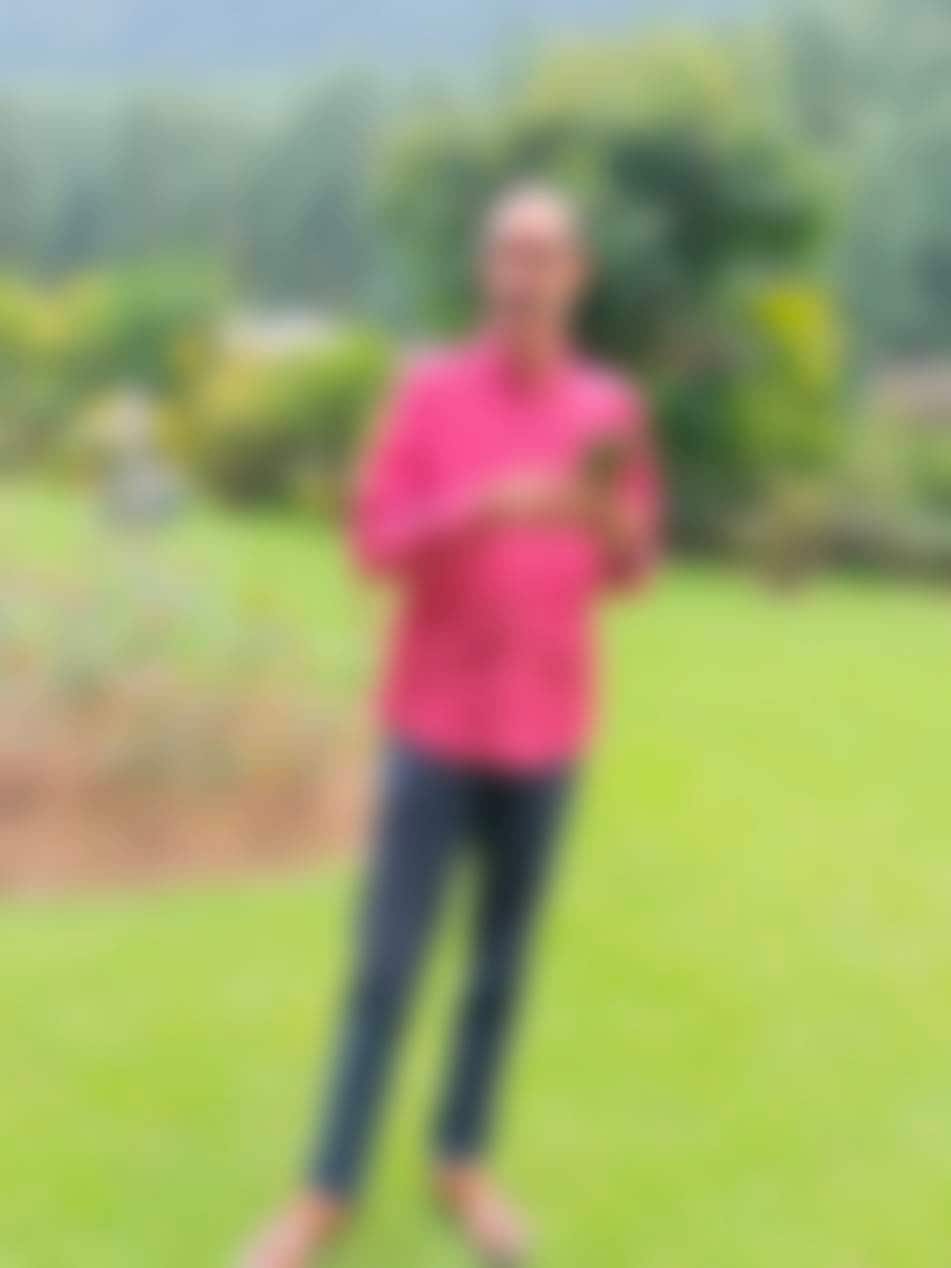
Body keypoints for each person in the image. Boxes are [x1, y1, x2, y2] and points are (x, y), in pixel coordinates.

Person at [242, 183, 662, 1267]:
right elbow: (370, 545)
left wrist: (602, 516)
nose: (524, 276)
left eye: (544, 256)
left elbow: (634, 568)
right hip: (432, 726)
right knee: (385, 967)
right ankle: (325, 1190)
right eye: (507, 254)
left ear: (578, 275)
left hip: (548, 729)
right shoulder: (428, 392)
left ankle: (462, 1162)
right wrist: (481, 510)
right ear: (486, 271)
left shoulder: (610, 408)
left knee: (500, 968)